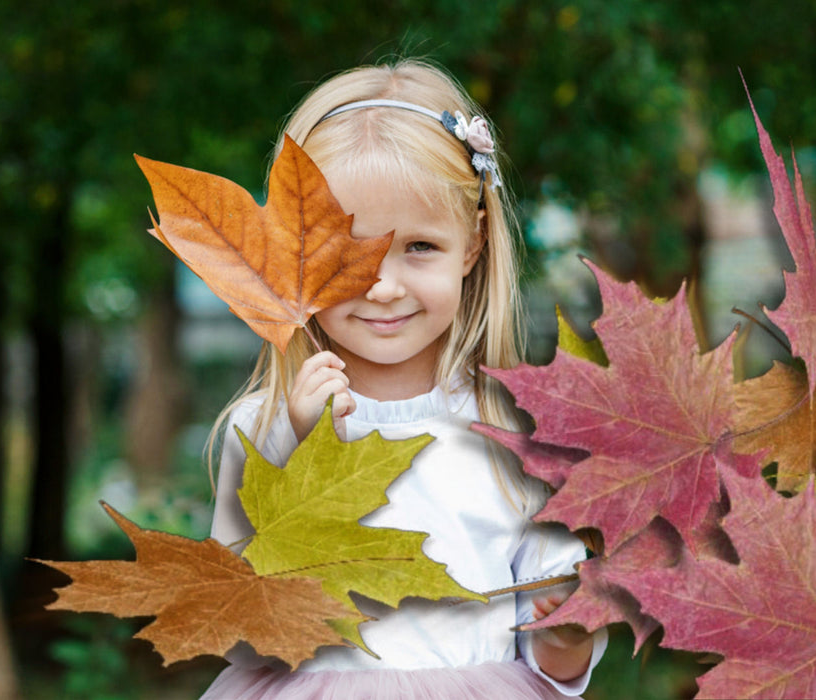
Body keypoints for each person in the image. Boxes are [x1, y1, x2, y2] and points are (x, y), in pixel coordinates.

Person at [202, 59, 607, 700]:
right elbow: (241, 636)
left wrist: (567, 632)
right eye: (347, 252)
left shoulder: (517, 430)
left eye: (419, 247)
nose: (384, 286)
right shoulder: (265, 428)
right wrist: (299, 464)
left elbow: (554, 647)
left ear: (472, 246)